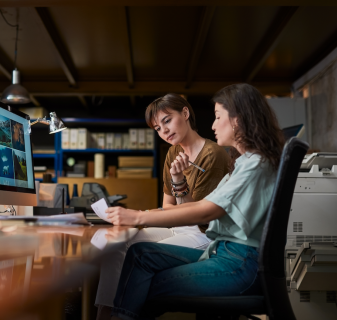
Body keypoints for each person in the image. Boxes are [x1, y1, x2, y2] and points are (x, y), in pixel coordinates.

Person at [106, 83, 285, 320]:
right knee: (140, 254)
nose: (212, 125)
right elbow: (197, 205)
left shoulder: (254, 165)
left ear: (238, 120)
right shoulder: (244, 163)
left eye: (217, 117)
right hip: (223, 252)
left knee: (142, 283)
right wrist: (172, 188)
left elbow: (204, 212)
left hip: (239, 263)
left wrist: (138, 216)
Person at [95, 94, 229, 320]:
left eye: (167, 120)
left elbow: (198, 217)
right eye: (158, 128)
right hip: (179, 226)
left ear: (185, 113)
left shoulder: (212, 154)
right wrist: (147, 213)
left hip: (205, 234)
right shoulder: (174, 152)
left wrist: (143, 214)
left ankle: (123, 314)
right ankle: (104, 314)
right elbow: (168, 206)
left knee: (136, 255)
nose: (164, 131)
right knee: (115, 245)